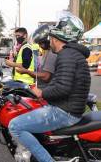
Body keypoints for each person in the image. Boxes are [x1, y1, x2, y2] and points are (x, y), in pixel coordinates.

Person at [9, 13, 91, 162]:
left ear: (56, 38)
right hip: (70, 108)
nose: (49, 41)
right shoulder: (74, 54)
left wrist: (41, 92)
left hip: (65, 112)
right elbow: (61, 82)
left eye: (51, 38)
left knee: (15, 126)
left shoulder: (67, 55)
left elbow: (63, 87)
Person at [16, 24, 57, 88]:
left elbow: (46, 76)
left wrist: (26, 71)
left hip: (45, 91)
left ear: (47, 41)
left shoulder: (52, 54)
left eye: (41, 43)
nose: (39, 45)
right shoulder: (47, 53)